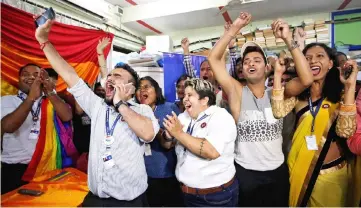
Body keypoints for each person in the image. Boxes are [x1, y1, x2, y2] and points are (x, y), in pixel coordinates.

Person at [35, 19, 159, 206]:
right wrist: (44, 41)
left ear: (131, 89)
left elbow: (148, 133)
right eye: (109, 75)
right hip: (95, 199)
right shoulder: (98, 106)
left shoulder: (142, 110)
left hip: (128, 201)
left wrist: (119, 103)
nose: (109, 78)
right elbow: (69, 74)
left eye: (117, 76)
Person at [208, 12, 314, 206]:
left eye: (257, 60)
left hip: (277, 173)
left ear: (267, 68)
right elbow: (214, 59)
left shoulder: (278, 93)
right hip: (246, 173)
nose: (250, 63)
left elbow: (307, 79)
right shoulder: (236, 91)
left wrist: (289, 39)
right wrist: (235, 28)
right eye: (246, 61)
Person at [271, 43, 358, 207]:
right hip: (299, 170)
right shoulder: (299, 96)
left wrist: (349, 86)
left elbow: (345, 131)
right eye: (307, 58)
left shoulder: (341, 96)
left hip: (330, 176)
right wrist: (277, 74)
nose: (313, 61)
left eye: (320, 56)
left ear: (330, 64)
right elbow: (278, 111)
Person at [163, 78, 238, 207]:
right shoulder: (183, 116)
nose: (184, 99)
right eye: (184, 95)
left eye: (190, 95)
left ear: (204, 100)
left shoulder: (220, 116)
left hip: (214, 197)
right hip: (186, 193)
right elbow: (167, 145)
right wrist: (168, 136)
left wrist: (179, 133)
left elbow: (211, 151)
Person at [1, 65, 74, 194]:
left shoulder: (51, 101)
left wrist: (50, 91)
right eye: (25, 74)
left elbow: (67, 115)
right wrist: (31, 98)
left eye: (36, 74)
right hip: (15, 169)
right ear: (18, 79)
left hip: (46, 167)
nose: (31, 77)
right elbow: (8, 126)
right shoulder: (6, 101)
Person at [136, 76, 183, 207]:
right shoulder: (133, 112)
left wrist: (156, 129)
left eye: (146, 86)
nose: (142, 90)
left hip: (169, 172)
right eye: (139, 88)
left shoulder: (169, 109)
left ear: (156, 91)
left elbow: (176, 139)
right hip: (144, 174)